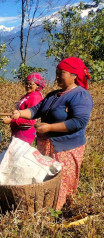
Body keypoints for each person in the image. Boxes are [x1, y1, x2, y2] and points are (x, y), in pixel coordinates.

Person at [11, 57, 93, 210]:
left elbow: (78, 122)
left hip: (66, 148)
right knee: (44, 180)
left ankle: (57, 214)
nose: (56, 77)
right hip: (46, 146)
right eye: (56, 73)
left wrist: (49, 128)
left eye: (61, 73)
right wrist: (19, 113)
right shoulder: (53, 95)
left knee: (61, 183)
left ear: (74, 75)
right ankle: (44, 212)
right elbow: (36, 110)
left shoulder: (80, 95)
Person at [2, 72, 46, 144]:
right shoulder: (28, 95)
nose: (28, 86)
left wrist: (11, 121)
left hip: (25, 133)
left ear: (37, 85)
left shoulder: (35, 97)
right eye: (26, 83)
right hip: (19, 131)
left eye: (31, 84)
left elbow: (31, 120)